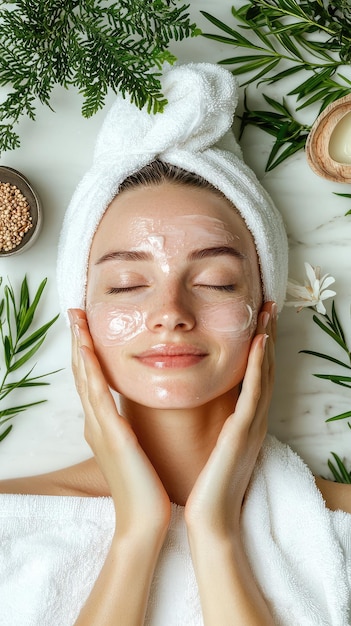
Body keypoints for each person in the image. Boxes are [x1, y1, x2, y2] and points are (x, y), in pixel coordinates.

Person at [0, 63, 350, 626]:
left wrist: (216, 537)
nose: (169, 314)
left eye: (215, 283)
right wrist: (137, 532)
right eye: (127, 285)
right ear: (81, 318)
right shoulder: (10, 531)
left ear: (266, 315)